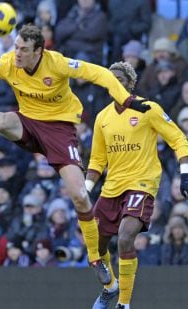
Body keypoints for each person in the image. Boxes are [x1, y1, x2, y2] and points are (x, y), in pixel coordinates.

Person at [0, 23, 151, 285]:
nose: (17, 53)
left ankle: (95, 257)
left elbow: (100, 74)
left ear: (39, 51)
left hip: (59, 130)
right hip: (28, 122)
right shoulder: (9, 62)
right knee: (4, 118)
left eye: (23, 50)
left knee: (79, 196)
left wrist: (125, 99)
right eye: (16, 47)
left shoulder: (57, 63)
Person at [85, 61, 188, 309]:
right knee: (96, 245)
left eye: (119, 79)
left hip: (142, 182)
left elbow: (178, 138)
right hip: (113, 187)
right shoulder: (102, 117)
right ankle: (110, 288)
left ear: (130, 84)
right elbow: (98, 159)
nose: (114, 84)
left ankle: (124, 303)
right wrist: (85, 189)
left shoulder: (148, 108)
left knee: (125, 238)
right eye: (110, 80)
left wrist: (185, 173)